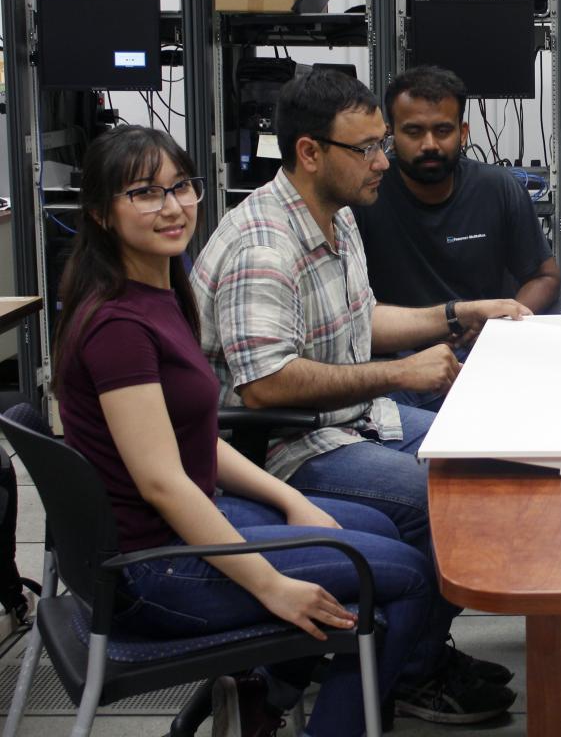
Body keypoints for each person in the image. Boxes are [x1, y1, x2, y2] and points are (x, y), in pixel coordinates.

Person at [52, 126, 436, 737]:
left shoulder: (159, 291)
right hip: (156, 571)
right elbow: (162, 484)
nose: (173, 206)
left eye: (181, 186)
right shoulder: (118, 328)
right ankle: (306, 707)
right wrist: (273, 586)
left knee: (379, 528)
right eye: (145, 194)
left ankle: (265, 692)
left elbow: (192, 441)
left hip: (178, 533)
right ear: (100, 214)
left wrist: (291, 500)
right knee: (407, 578)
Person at [191, 71, 526, 724]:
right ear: (311, 152)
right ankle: (416, 669)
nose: (384, 161)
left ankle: (415, 651)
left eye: (381, 144)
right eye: (367, 149)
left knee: (486, 460)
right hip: (284, 445)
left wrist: (462, 313)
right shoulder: (266, 244)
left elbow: (359, 323)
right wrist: (399, 376)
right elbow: (265, 385)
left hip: (346, 420)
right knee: (445, 499)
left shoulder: (335, 217)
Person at [353, 64, 561, 315]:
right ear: (392, 134)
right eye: (413, 131)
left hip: (482, 344)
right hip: (397, 349)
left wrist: (499, 326)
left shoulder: (498, 189)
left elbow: (545, 277)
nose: (429, 145)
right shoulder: (365, 195)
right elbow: (354, 309)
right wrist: (447, 322)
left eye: (442, 130)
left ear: (462, 134)